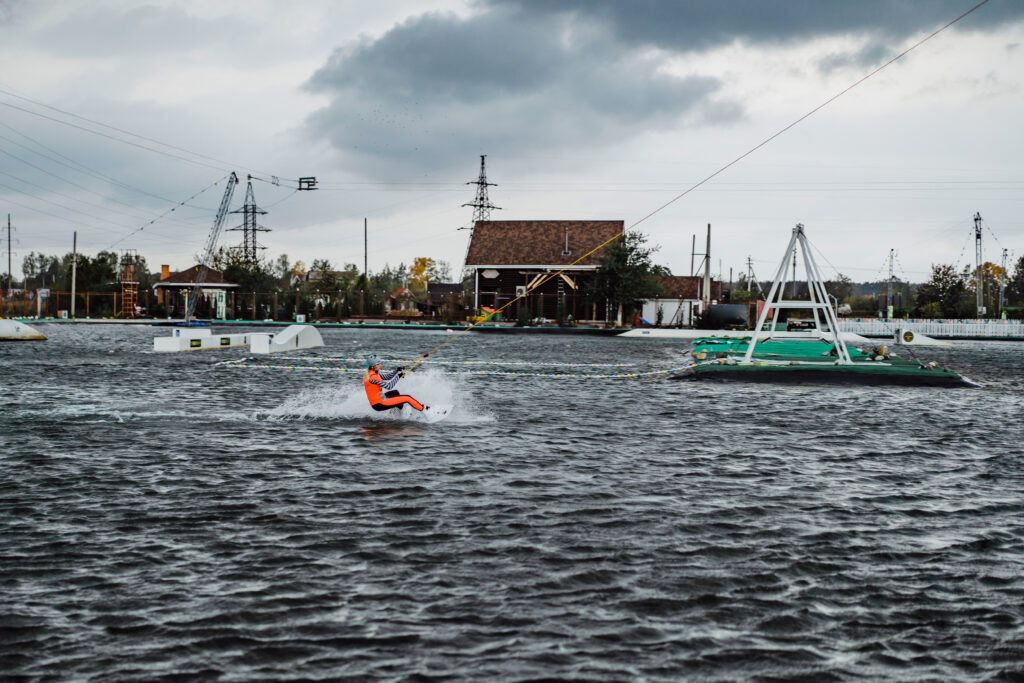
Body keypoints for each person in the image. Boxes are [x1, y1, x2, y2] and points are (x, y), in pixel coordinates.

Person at [362, 354, 427, 413]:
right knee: (408, 398)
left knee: (395, 393)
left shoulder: (370, 374)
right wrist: (398, 376)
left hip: (376, 402)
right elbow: (389, 386)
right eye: (378, 364)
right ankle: (424, 410)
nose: (380, 365)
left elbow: (388, 377)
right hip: (380, 404)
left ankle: (398, 413)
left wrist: (397, 370)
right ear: (373, 366)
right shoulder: (373, 377)